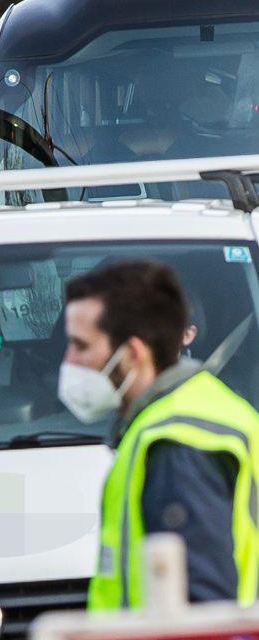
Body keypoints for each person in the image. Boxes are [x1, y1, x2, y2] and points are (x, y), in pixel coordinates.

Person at [58, 258, 259, 609]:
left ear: (133, 353)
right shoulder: (193, 410)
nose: (69, 362)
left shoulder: (178, 444)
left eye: (82, 346)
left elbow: (201, 616)